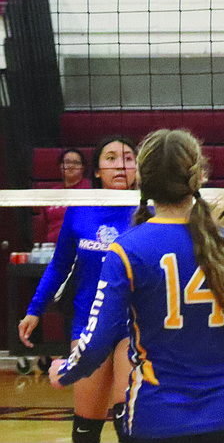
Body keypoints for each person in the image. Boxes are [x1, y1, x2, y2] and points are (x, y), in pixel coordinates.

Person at [49, 128, 224, 443]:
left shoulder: (127, 249)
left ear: (143, 178)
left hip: (157, 418)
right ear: (198, 176)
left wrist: (65, 372)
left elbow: (97, 341)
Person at [19, 135, 139, 443]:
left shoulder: (149, 210)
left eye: (127, 158)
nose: (120, 165)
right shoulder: (80, 209)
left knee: (128, 423)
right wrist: (35, 309)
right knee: (85, 430)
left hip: (134, 325)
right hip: (88, 323)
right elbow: (60, 265)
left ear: (138, 167)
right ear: (97, 171)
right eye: (111, 158)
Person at [34, 148, 92, 245]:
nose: (70, 166)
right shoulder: (52, 193)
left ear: (82, 167)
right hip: (53, 247)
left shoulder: (92, 189)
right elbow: (43, 226)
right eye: (67, 162)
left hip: (84, 245)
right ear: (61, 166)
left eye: (76, 163)